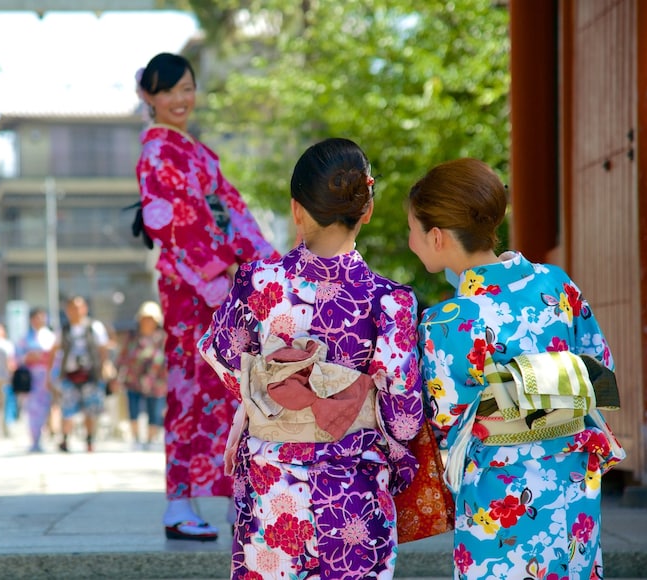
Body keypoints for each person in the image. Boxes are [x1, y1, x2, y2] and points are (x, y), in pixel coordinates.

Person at [199, 137, 423, 577]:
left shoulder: (258, 282)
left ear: (296, 210)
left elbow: (223, 355)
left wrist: (272, 398)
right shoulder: (389, 300)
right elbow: (404, 420)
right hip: (353, 489)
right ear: (367, 210)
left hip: (272, 488)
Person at [406, 158, 626, 579]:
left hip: (499, 490)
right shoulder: (556, 285)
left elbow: (443, 417)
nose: (411, 239)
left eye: (413, 229)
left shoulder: (447, 321)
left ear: (436, 237)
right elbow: (600, 366)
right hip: (570, 479)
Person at [136, 51, 280, 541]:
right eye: (169, 90)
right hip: (188, 288)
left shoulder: (195, 151)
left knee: (228, 388)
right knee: (188, 388)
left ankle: (236, 498)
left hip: (224, 287)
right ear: (148, 96)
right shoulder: (157, 152)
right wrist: (223, 272)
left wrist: (267, 264)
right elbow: (175, 226)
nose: (180, 99)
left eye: (187, 88)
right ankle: (178, 502)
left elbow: (233, 210)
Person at [47, 296, 111, 453]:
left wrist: (104, 366)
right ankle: (65, 439)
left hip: (90, 373)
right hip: (69, 374)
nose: (75, 311)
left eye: (78, 307)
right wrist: (49, 374)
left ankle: (89, 440)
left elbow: (103, 349)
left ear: (85, 309)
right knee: (67, 409)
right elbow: (53, 351)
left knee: (90, 409)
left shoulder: (94, 327)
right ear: (67, 310)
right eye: (72, 308)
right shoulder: (63, 329)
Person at [115, 301, 168, 450]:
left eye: (151, 318)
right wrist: (117, 373)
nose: (148, 321)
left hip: (156, 381)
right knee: (133, 409)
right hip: (133, 379)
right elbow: (123, 355)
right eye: (145, 318)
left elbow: (166, 358)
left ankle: (150, 440)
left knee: (154, 410)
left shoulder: (162, 337)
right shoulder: (132, 336)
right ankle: (136, 439)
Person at [17, 307, 55, 453]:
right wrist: (27, 357)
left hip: (47, 375)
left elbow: (56, 357)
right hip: (31, 376)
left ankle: (46, 435)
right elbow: (17, 356)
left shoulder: (50, 336)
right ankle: (35, 439)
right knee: (32, 409)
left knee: (47, 408)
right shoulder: (25, 337)